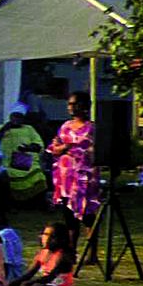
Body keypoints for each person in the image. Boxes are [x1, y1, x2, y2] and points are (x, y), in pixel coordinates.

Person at [49, 92, 99, 223]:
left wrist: (72, 148)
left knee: (87, 216)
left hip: (84, 177)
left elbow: (95, 151)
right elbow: (54, 149)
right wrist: (66, 146)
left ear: (84, 105)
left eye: (74, 104)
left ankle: (91, 237)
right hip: (65, 178)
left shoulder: (92, 128)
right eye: (69, 104)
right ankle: (72, 237)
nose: (70, 107)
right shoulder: (65, 126)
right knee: (69, 218)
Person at [4, 222, 77, 286]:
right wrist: (13, 283)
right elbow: (30, 273)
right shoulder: (42, 253)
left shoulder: (63, 256)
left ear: (61, 239)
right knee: (17, 285)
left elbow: (50, 277)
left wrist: (29, 283)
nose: (46, 239)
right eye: (45, 235)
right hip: (44, 285)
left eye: (51, 236)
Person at [0, 104, 48, 213]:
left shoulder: (29, 129)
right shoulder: (1, 128)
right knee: (5, 175)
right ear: (10, 117)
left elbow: (39, 145)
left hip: (25, 162)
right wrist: (5, 128)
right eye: (14, 116)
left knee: (38, 174)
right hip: (5, 163)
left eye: (19, 117)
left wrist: (28, 147)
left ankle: (39, 205)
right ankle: (10, 206)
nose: (17, 119)